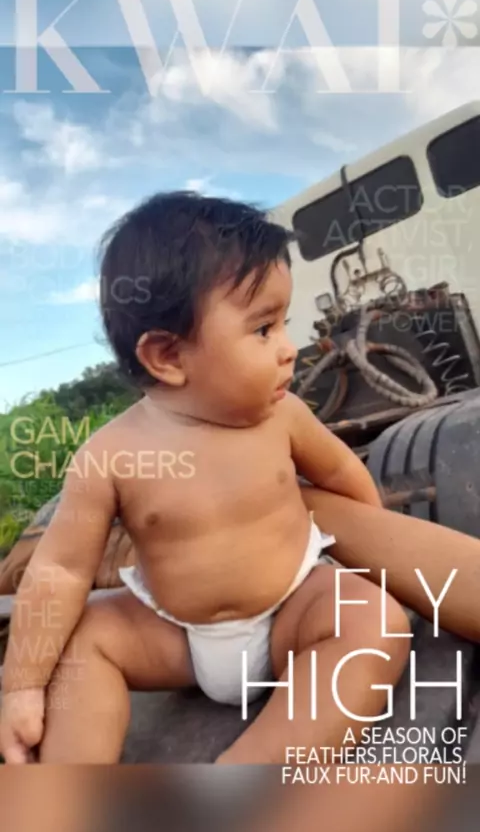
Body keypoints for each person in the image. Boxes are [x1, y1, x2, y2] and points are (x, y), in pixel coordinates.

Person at [0, 191, 413, 764]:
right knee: (84, 639)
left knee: (372, 619)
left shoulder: (284, 417)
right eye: (263, 329)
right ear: (168, 356)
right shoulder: (110, 456)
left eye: (284, 323)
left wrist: (375, 563)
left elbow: (343, 472)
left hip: (291, 611)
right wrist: (21, 684)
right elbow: (60, 570)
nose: (289, 350)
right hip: (176, 639)